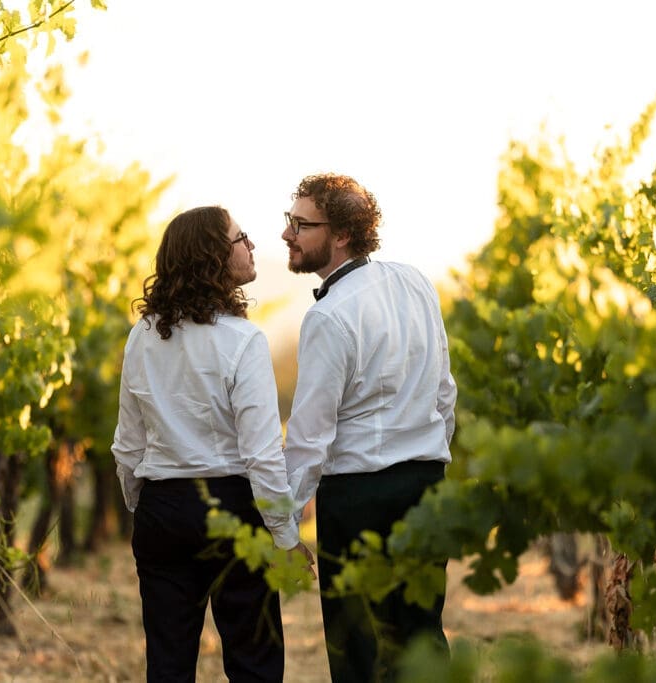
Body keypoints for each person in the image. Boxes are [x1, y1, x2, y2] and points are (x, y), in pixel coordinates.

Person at [111, 205, 313, 683]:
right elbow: (262, 455)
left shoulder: (141, 337)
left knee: (167, 665)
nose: (251, 245)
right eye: (240, 238)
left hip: (163, 507)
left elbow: (128, 447)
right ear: (212, 257)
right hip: (231, 507)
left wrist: (148, 505)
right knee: (254, 663)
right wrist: (285, 536)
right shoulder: (243, 340)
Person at [282, 174, 457, 682]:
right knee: (422, 642)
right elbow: (444, 392)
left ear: (341, 235)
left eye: (302, 225)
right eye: (290, 220)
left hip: (357, 499)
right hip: (425, 488)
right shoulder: (415, 281)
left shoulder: (327, 317)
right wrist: (429, 458)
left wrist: (283, 527)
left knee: (359, 653)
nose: (288, 234)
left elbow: (309, 439)